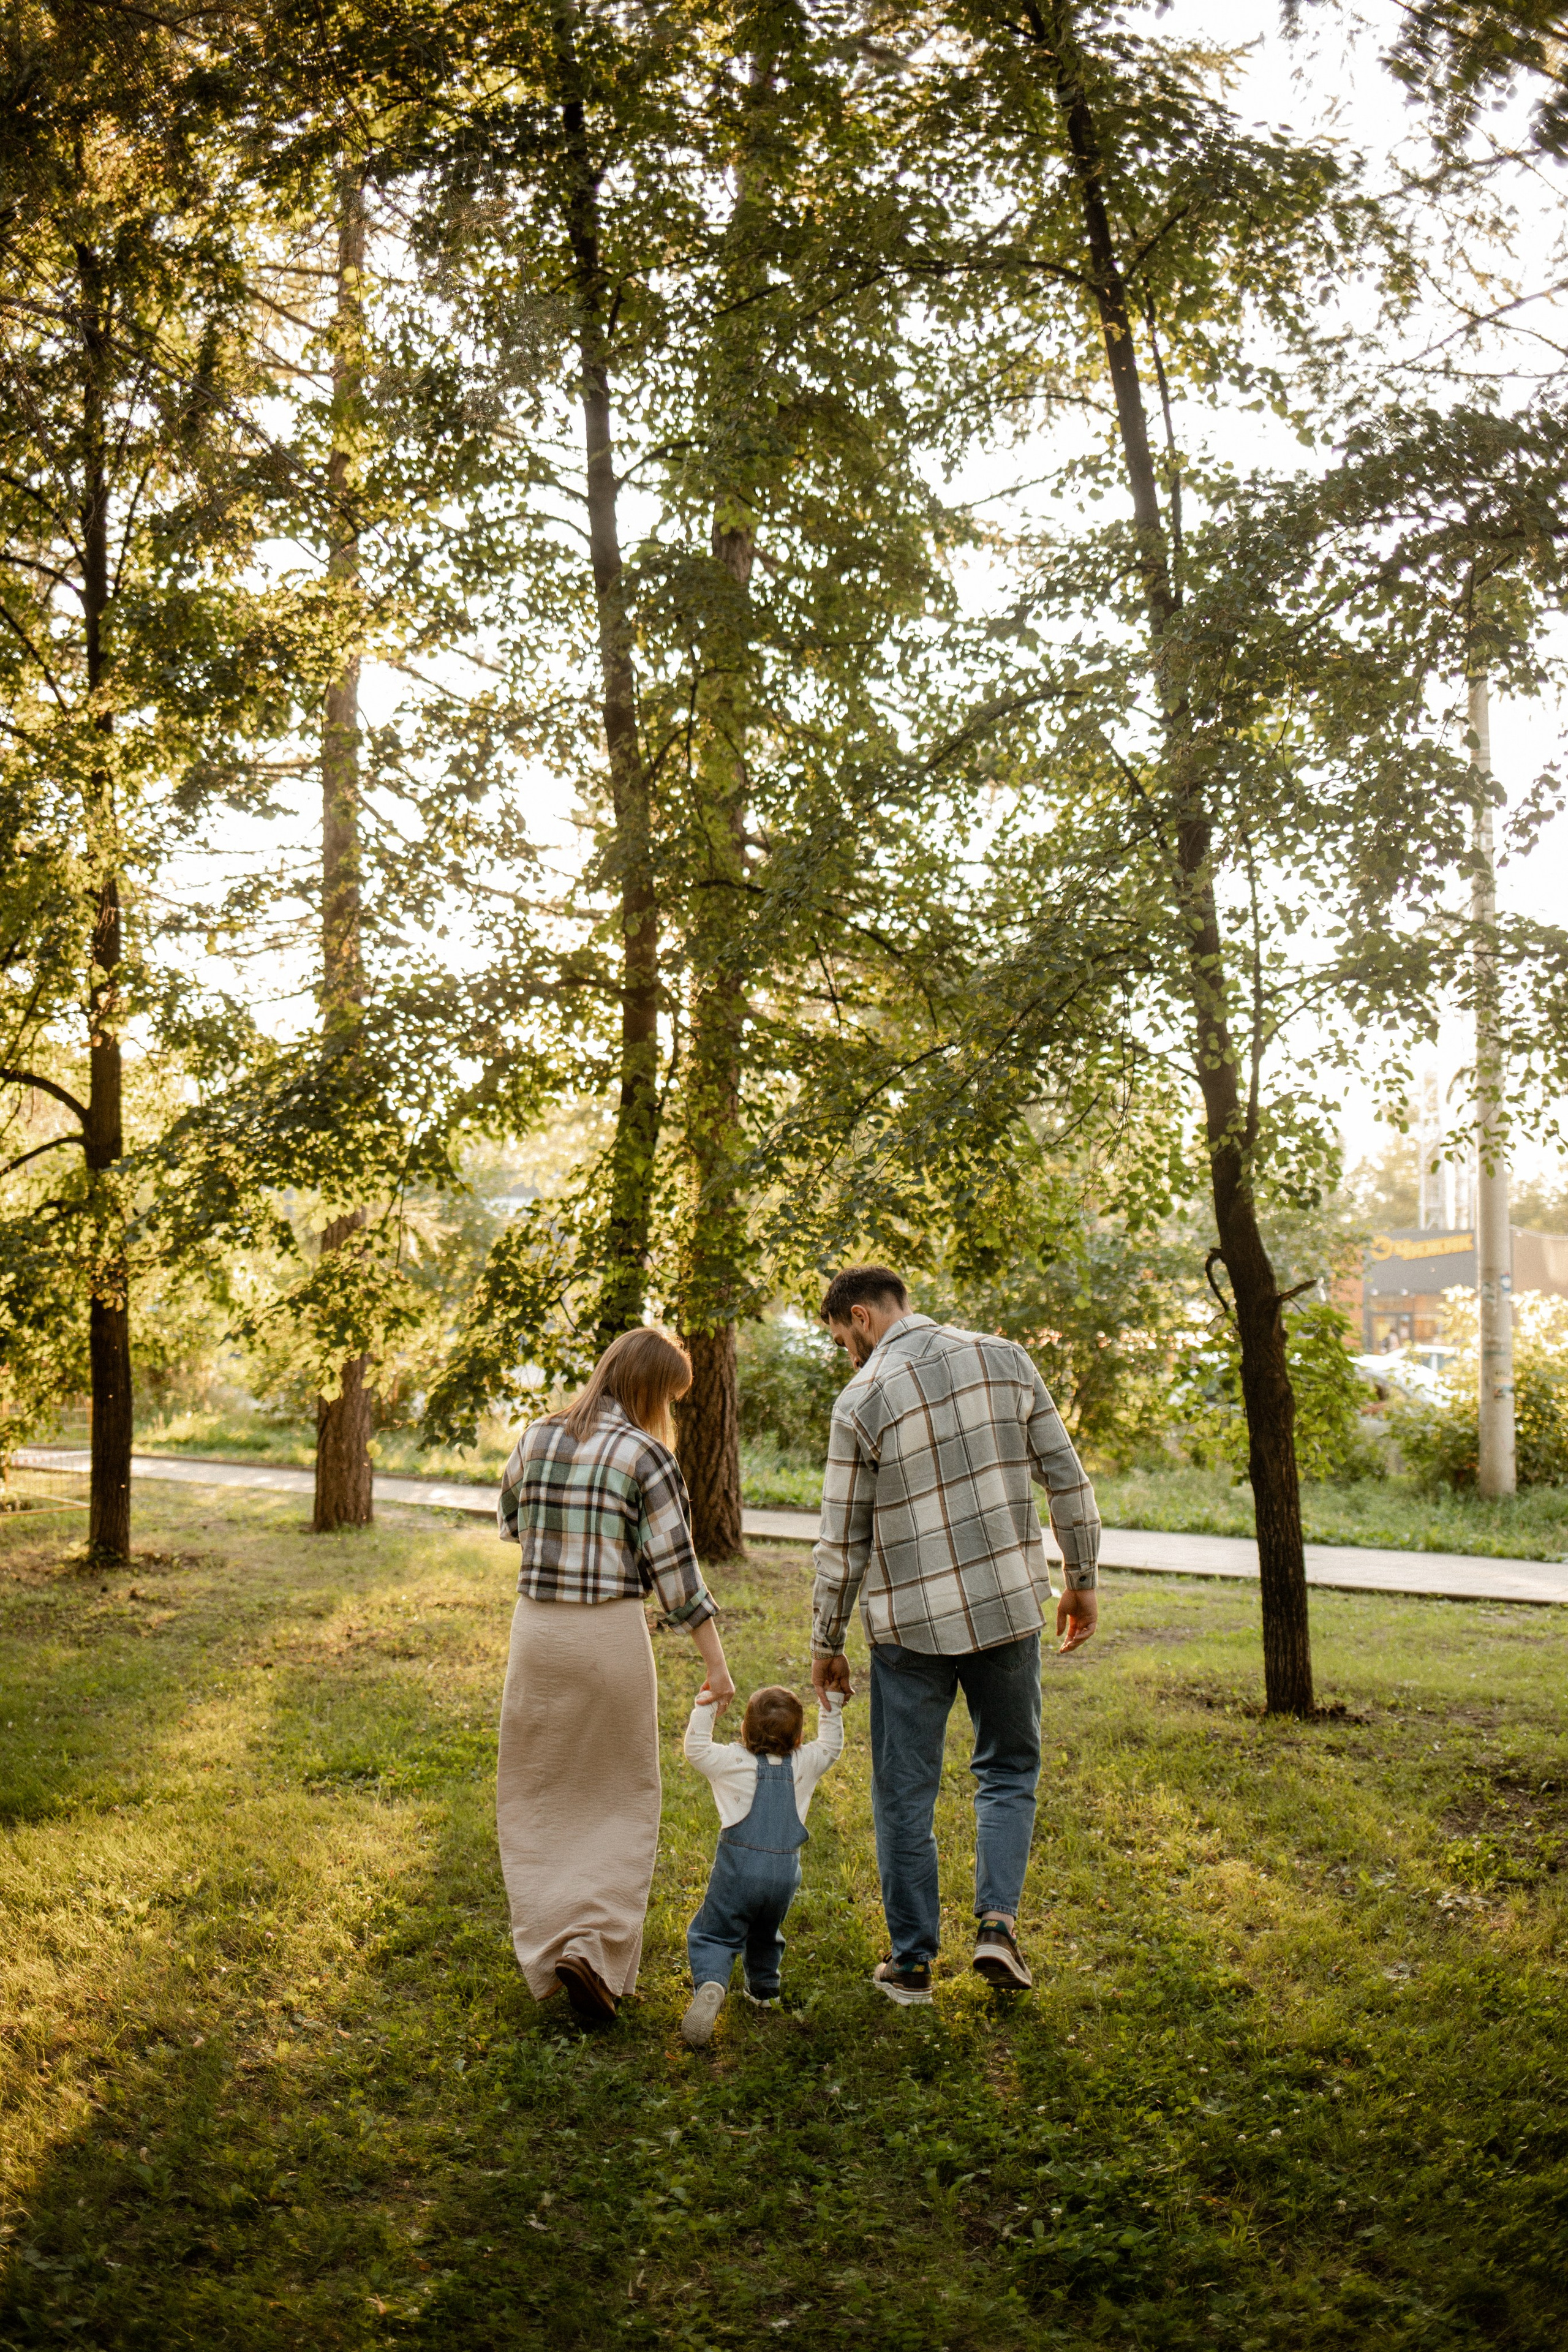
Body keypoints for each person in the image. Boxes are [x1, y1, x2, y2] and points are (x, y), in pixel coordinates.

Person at [809, 1266, 1099, 2006]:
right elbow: (1065, 1478)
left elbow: (841, 1544)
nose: (847, 1351)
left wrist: (826, 1639)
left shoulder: (861, 1398)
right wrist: (1082, 1577)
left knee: (903, 1792)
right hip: (1007, 1608)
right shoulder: (1004, 1358)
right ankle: (997, 1929)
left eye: (842, 1336)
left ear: (861, 1317)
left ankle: (911, 1967)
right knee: (1006, 1770)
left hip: (909, 1628)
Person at [495, 1327, 735, 2024]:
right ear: (651, 1391)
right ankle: (593, 1952)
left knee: (539, 1790)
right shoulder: (647, 1454)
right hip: (606, 1635)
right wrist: (715, 1664)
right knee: (620, 1792)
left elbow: (508, 1522)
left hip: (536, 1634)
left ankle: (554, 1945)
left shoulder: (536, 1436)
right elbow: (677, 1576)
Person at [679, 1681, 845, 2047]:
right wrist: (831, 1703)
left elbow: (695, 1749)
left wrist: (708, 1705)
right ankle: (765, 1990)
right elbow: (832, 1746)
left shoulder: (732, 1762)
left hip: (738, 1872)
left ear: (744, 1728)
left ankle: (712, 1981)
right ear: (800, 1735)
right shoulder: (805, 1762)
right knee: (766, 1929)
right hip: (783, 1878)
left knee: (716, 1931)